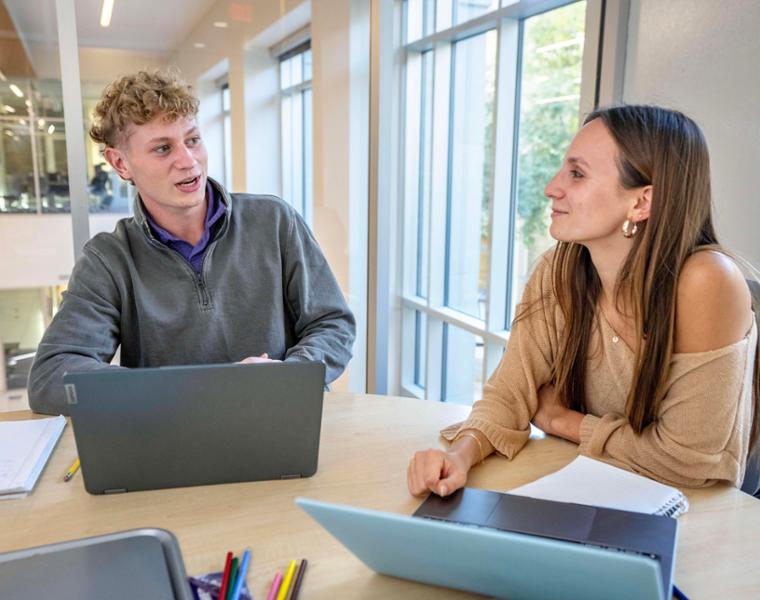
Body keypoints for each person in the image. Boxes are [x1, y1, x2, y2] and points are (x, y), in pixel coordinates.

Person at [408, 105, 759, 496]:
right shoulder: (559, 269)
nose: (551, 187)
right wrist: (459, 454)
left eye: (577, 174)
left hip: (700, 515)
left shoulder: (707, 281)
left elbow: (687, 463)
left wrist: (562, 420)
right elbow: (510, 394)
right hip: (597, 487)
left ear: (642, 203)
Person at [28, 69, 356, 415]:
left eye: (193, 140)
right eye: (163, 148)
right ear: (120, 163)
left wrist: (287, 378)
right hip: (171, 441)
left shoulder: (273, 220)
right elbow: (50, 376)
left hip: (278, 417)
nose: (188, 161)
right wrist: (191, 392)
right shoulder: (108, 260)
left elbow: (332, 323)